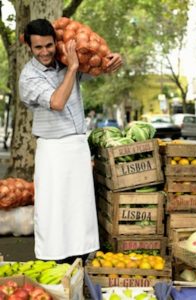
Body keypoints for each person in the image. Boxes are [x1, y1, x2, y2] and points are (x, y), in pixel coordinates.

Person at [19, 18, 122, 264]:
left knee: (80, 205)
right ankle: (52, 259)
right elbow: (57, 102)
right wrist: (73, 68)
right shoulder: (29, 76)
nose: (44, 52)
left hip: (76, 144)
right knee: (53, 206)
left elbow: (100, 67)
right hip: (52, 148)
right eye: (38, 48)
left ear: (56, 42)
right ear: (29, 48)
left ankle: (80, 257)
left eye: (48, 45)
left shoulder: (66, 61)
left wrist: (115, 60)